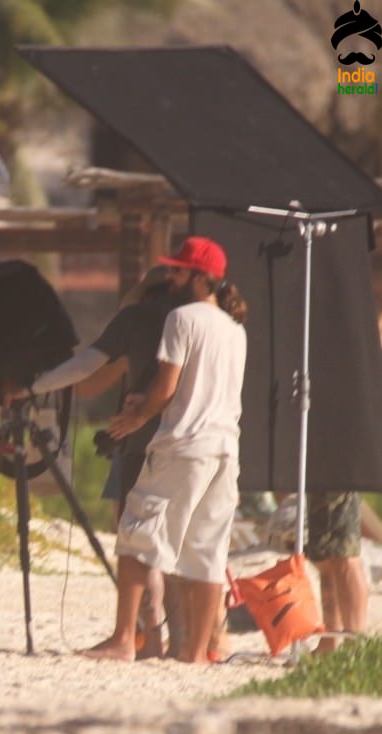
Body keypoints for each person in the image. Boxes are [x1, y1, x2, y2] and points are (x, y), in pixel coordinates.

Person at [84, 236, 248, 664]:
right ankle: (194, 653)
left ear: (199, 277)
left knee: (138, 535)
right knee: (207, 552)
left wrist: (137, 417)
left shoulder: (181, 318)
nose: (171, 277)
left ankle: (123, 639)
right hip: (225, 448)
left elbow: (168, 386)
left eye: (177, 270)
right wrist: (153, 402)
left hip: (183, 444)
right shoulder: (235, 329)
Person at [8, 266, 177, 657]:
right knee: (177, 544)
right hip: (193, 445)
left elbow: (86, 382)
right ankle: (182, 639)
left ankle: (139, 636)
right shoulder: (197, 322)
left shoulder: (140, 322)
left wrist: (35, 385)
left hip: (140, 441)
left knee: (135, 539)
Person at [307, 492, 370, 653]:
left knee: (344, 555)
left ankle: (356, 647)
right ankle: (329, 641)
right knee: (326, 557)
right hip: (321, 475)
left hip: (339, 474)